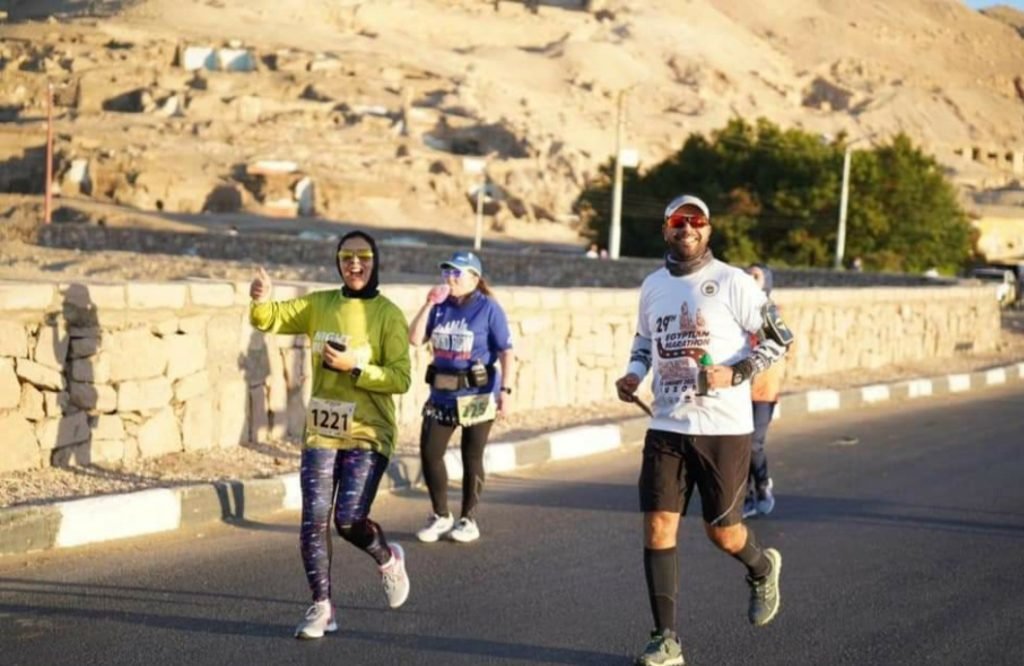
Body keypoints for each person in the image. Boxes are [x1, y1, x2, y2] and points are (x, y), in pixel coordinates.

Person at [614, 195, 794, 665]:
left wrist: (737, 373)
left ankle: (761, 567)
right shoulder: (653, 286)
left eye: (696, 220)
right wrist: (634, 373)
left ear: (709, 229)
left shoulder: (733, 282)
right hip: (666, 424)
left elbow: (780, 339)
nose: (687, 228)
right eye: (678, 220)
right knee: (658, 526)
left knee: (723, 533)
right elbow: (644, 340)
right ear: (666, 229)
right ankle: (665, 640)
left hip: (723, 429)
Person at [249, 230, 412, 640]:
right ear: (338, 263)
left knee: (348, 519)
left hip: (368, 431)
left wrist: (356, 366)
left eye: (363, 257)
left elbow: (401, 378)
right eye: (346, 257)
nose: (354, 264)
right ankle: (322, 607)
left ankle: (388, 558)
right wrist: (261, 298)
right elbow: (269, 319)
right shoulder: (320, 304)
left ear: (375, 261)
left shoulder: (388, 315)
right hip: (323, 428)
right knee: (313, 519)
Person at [408, 250, 515, 544]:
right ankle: (441, 515)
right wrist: (429, 303)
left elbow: (506, 352)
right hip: (442, 394)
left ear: (474, 278)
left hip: (477, 394)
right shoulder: (439, 307)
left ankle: (468, 519)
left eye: (457, 273)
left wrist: (506, 391)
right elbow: (415, 339)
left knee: (472, 455)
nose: (450, 278)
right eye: (446, 272)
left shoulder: (488, 308)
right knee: (430, 452)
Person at [742, 263, 785, 519]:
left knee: (753, 443)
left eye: (756, 276)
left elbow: (780, 347)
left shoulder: (772, 314)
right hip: (735, 390)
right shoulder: (733, 312)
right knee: (737, 445)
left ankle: (761, 483)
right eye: (746, 275)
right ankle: (745, 496)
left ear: (766, 282)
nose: (749, 279)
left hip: (763, 390)